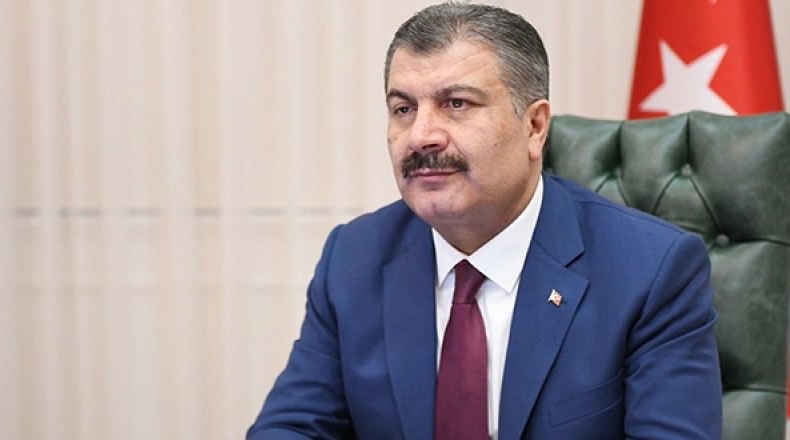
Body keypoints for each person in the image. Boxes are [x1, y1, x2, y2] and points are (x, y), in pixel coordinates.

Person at [248, 3, 722, 439]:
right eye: (403, 109)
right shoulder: (355, 258)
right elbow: (291, 427)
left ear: (534, 127)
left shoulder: (650, 270)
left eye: (457, 103)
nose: (421, 136)